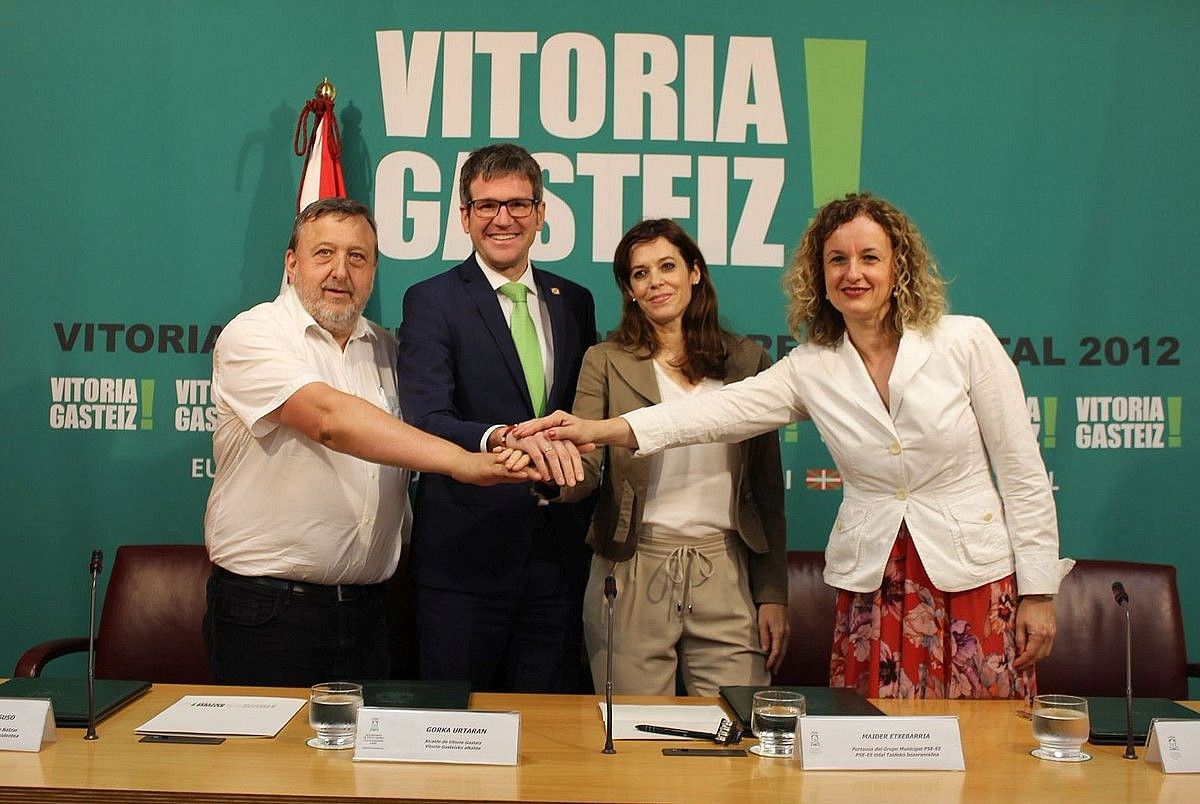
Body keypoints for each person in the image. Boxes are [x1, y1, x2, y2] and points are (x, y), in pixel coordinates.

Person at [516, 192, 1074, 700]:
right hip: (875, 582)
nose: (853, 273)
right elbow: (710, 414)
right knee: (872, 741)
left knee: (983, 741)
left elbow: (1023, 475)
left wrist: (1039, 591)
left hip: (973, 578)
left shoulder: (965, 340)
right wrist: (599, 430)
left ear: (898, 266)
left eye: (869, 257)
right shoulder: (811, 366)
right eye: (837, 260)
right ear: (819, 274)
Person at [203, 197, 536, 687]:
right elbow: (329, 420)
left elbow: (432, 423)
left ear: (374, 271)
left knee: (366, 743)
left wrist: (512, 439)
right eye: (324, 254)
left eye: (357, 257)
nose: (341, 271)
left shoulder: (387, 349)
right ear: (291, 263)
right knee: (268, 744)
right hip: (268, 612)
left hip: (368, 614)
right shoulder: (254, 334)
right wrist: (463, 462)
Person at [546, 218, 788, 697]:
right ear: (629, 290)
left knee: (738, 725)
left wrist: (773, 593)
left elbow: (766, 491)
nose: (655, 282)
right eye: (640, 273)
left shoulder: (747, 361)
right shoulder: (605, 360)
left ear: (694, 272)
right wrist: (551, 475)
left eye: (667, 267)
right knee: (633, 730)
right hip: (631, 566)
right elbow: (585, 469)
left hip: (726, 567)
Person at [396, 143, 597, 693]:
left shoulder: (574, 301)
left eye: (517, 204)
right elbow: (425, 416)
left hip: (558, 560)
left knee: (549, 729)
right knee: (451, 726)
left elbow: (584, 414)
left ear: (540, 212)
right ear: (464, 216)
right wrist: (501, 438)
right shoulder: (431, 300)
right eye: (486, 205)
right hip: (464, 561)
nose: (502, 218)